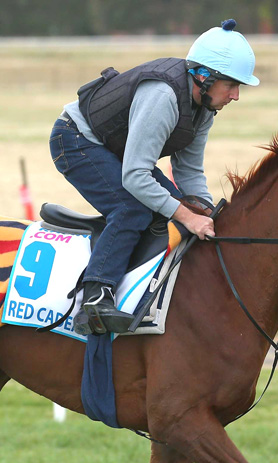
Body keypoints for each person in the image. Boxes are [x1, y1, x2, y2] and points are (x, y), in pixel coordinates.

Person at [49, 19, 259, 336]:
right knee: (132, 208)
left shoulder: (203, 107)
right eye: (231, 84)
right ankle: (96, 295)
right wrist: (187, 216)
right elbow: (135, 177)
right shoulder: (162, 97)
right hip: (76, 140)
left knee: (176, 208)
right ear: (204, 77)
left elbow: (188, 170)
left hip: (113, 148)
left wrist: (203, 210)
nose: (236, 95)